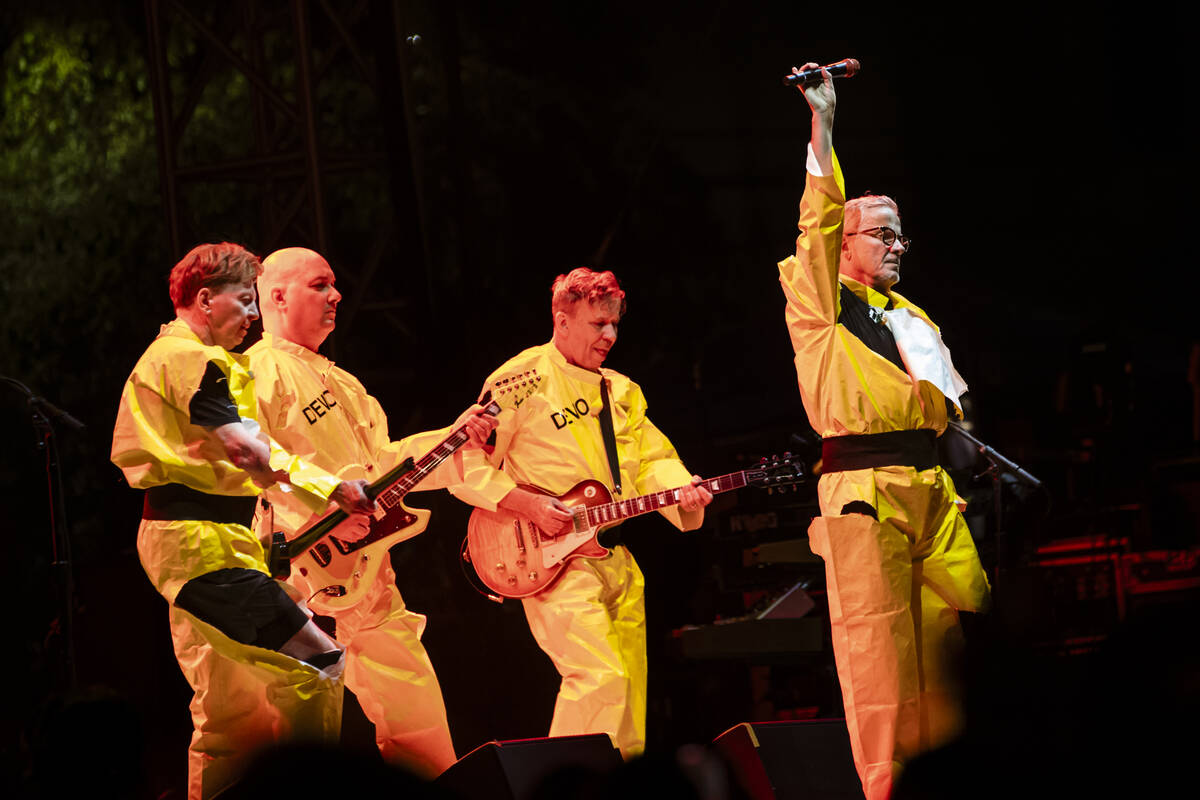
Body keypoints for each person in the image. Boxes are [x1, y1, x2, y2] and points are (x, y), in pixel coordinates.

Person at [777, 65, 991, 799]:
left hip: (931, 489)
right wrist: (823, 123)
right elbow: (817, 219)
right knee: (878, 656)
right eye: (882, 235)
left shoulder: (914, 318)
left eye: (901, 235)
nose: (898, 246)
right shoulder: (818, 306)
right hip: (864, 492)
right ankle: (883, 790)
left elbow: (950, 409)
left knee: (952, 638)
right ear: (847, 243)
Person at [111, 242, 376, 800]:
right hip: (200, 546)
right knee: (318, 664)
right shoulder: (191, 359)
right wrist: (327, 486)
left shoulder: (172, 354)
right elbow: (247, 450)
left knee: (227, 714)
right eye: (243, 301)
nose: (254, 315)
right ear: (205, 300)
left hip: (191, 542)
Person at [246, 246, 498, 777]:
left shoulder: (344, 383)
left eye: (334, 284)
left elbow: (385, 464)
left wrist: (455, 438)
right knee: (298, 730)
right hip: (300, 576)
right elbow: (254, 467)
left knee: (417, 714)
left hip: (367, 573)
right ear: (277, 295)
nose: (337, 294)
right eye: (320, 285)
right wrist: (321, 515)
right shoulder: (256, 373)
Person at [449, 267, 713, 759]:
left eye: (614, 324)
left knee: (629, 695)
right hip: (548, 555)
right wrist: (527, 503)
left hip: (611, 553)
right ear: (562, 319)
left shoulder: (622, 391)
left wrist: (683, 490)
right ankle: (569, 787)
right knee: (599, 678)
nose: (610, 336)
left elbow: (654, 460)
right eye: (598, 324)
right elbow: (465, 463)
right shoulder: (519, 379)